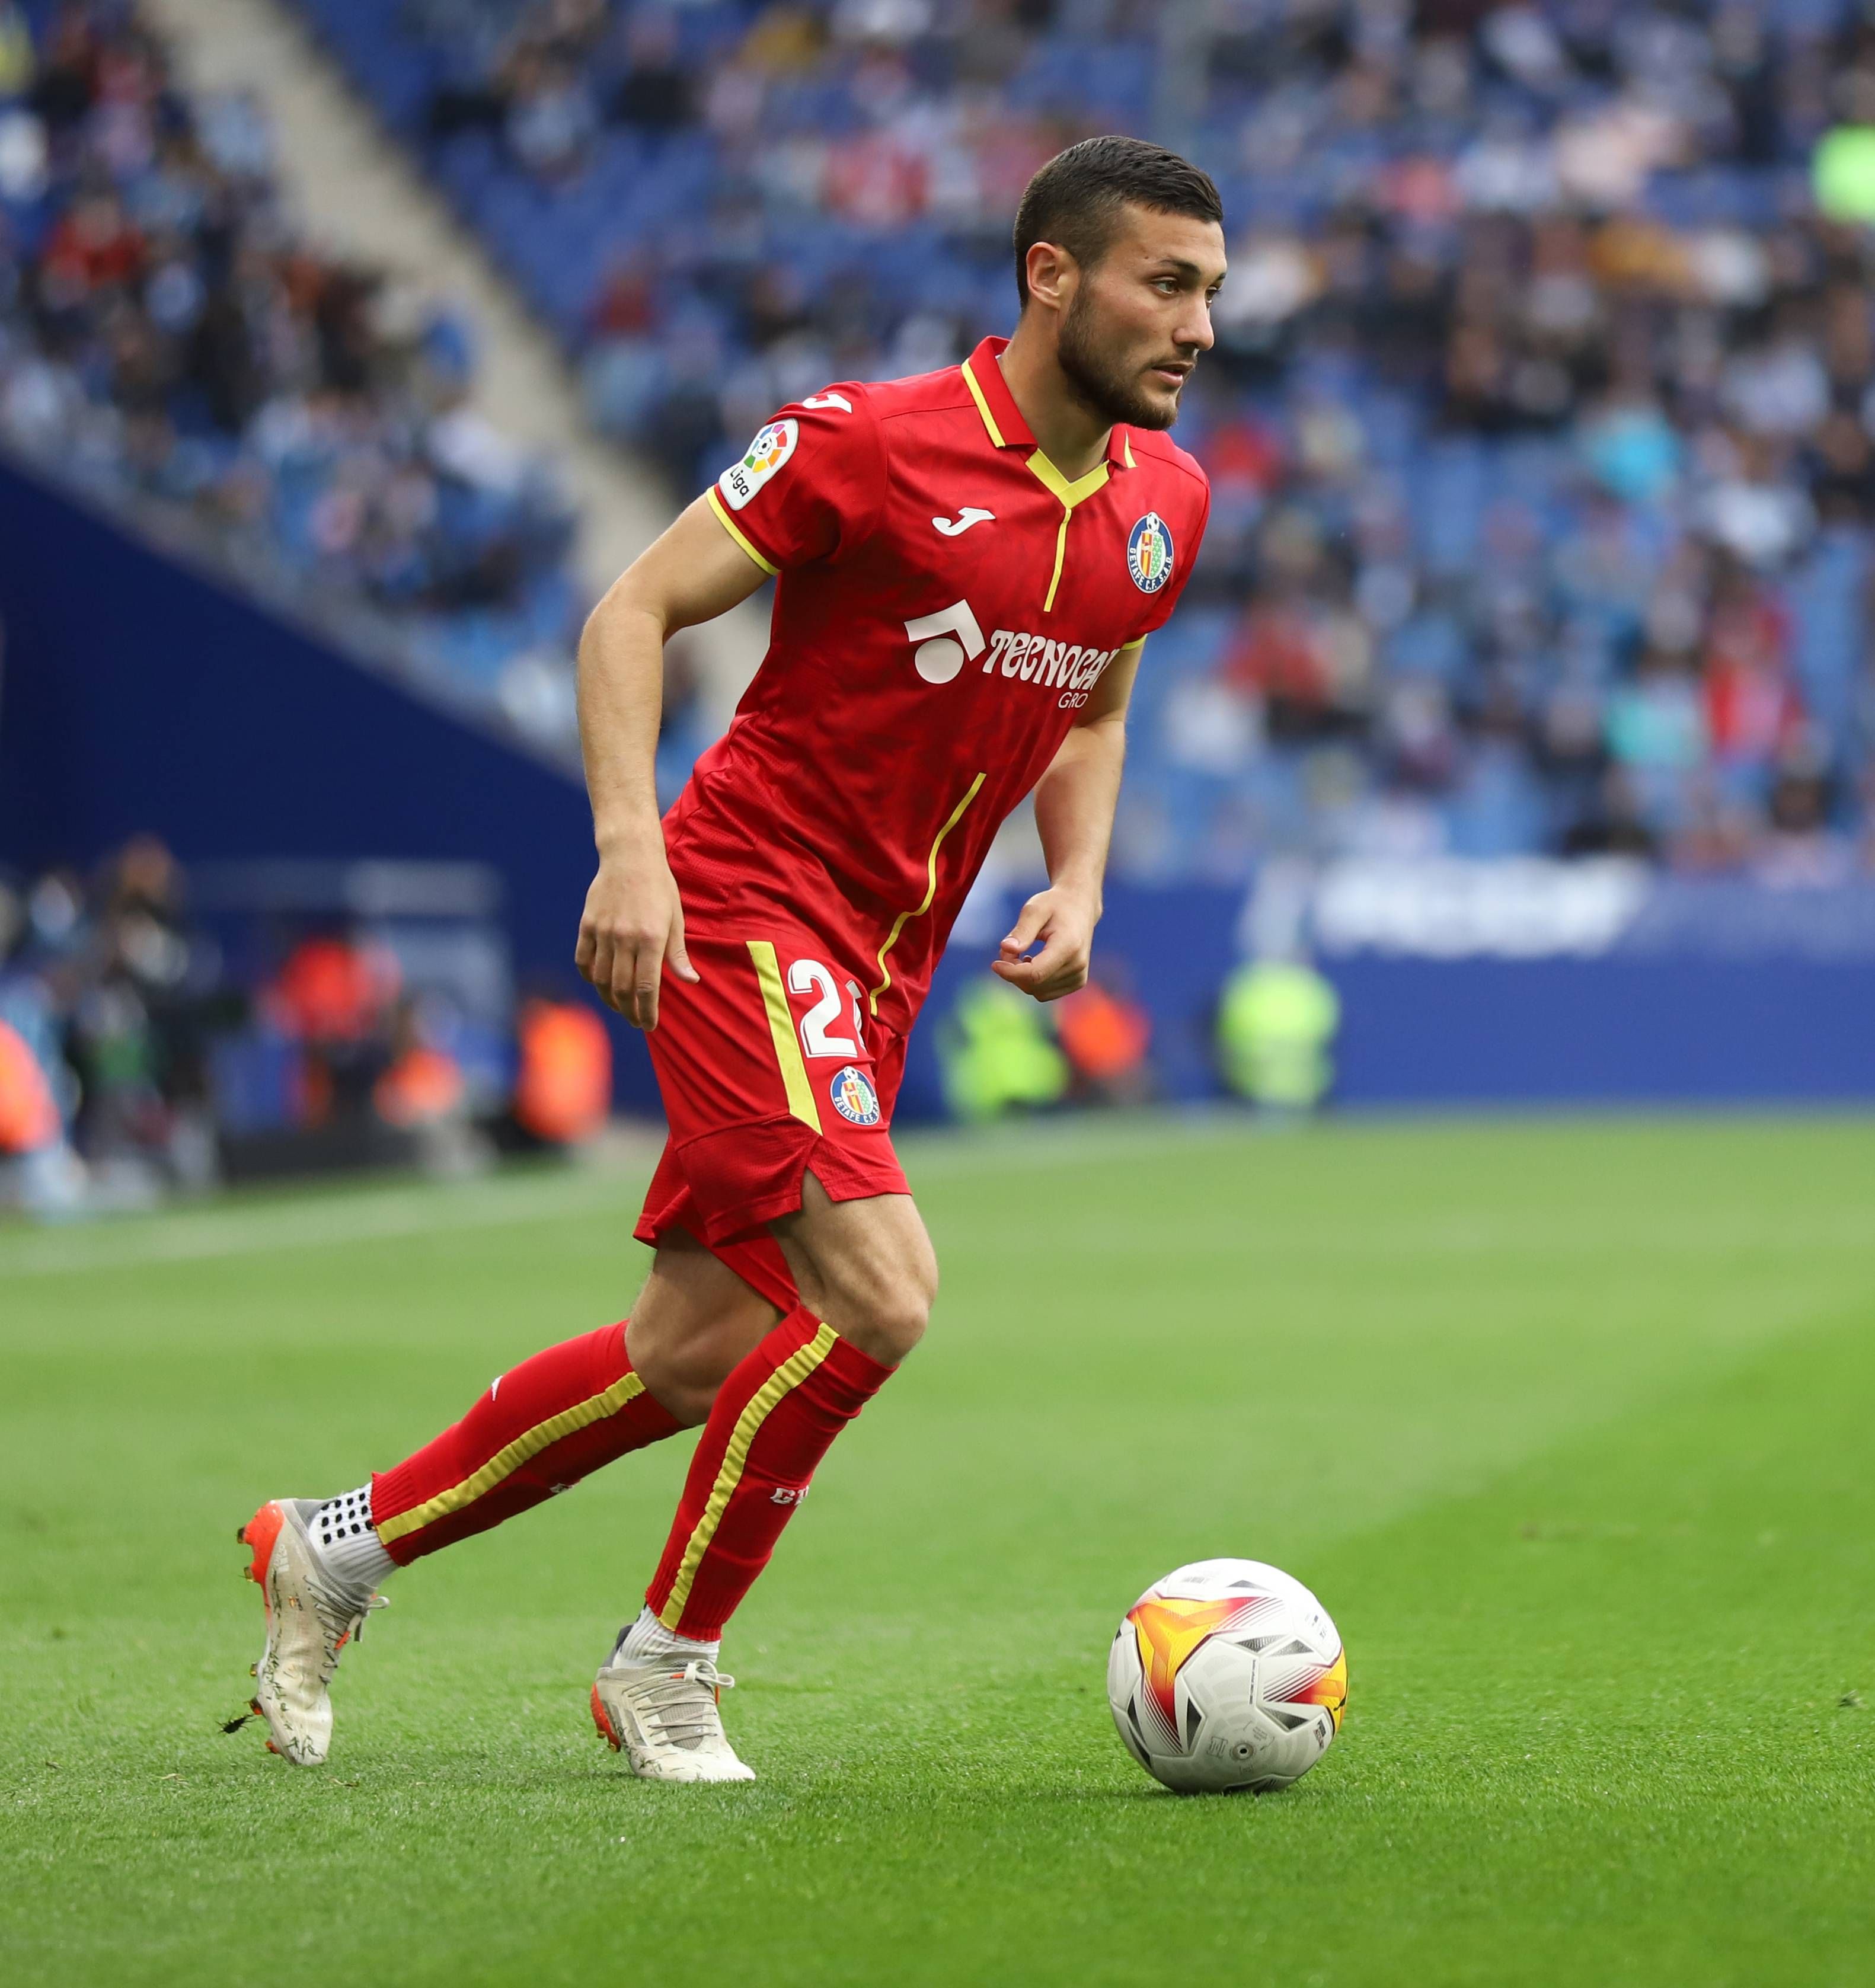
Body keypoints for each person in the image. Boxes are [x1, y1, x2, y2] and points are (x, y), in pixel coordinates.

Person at [232, 136, 1225, 1782]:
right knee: (883, 1294)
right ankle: (664, 1664)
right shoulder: (867, 441)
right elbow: (632, 610)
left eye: (1209, 291)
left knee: (685, 1352)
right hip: (746, 903)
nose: (1196, 326)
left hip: (881, 967)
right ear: (1051, 273)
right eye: (1165, 283)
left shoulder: (1162, 505)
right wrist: (631, 847)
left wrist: (1083, 879)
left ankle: (331, 1547)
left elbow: (1098, 696)